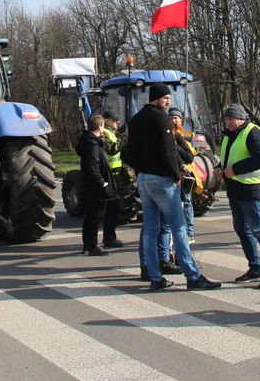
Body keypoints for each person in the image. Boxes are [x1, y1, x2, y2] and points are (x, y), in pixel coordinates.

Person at [124, 83, 220, 291]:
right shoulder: (160, 117)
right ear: (156, 98)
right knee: (179, 228)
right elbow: (169, 151)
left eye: (169, 98)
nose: (168, 101)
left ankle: (155, 277)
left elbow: (128, 152)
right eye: (165, 97)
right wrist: (176, 174)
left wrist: (141, 169)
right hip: (163, 181)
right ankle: (193, 276)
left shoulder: (135, 119)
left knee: (149, 230)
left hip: (144, 179)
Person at [219, 104, 260, 289]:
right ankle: (255, 267)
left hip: (251, 190)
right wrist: (221, 169)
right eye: (226, 119)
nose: (228, 122)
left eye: (231, 119)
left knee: (259, 230)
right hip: (235, 190)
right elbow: (229, 158)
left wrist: (235, 169)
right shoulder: (230, 135)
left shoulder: (252, 132)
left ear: (241, 119)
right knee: (242, 230)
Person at [74, 114, 113, 256]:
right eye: (103, 126)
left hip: (89, 184)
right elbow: (93, 165)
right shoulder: (92, 144)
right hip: (95, 186)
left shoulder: (88, 142)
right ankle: (92, 245)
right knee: (95, 215)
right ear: (99, 127)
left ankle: (88, 245)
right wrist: (101, 181)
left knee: (91, 215)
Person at [169, 108, 196, 245]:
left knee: (186, 203)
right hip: (171, 175)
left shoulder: (183, 135)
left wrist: (175, 147)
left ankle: (189, 233)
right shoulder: (166, 134)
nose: (173, 120)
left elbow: (189, 156)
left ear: (180, 120)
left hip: (184, 174)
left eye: (176, 118)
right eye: (171, 118)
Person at [100, 111, 127, 248]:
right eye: (114, 120)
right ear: (106, 121)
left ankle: (111, 236)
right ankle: (109, 238)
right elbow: (112, 149)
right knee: (112, 208)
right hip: (111, 175)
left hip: (118, 175)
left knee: (115, 208)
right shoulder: (104, 133)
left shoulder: (113, 133)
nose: (117, 122)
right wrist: (125, 137)